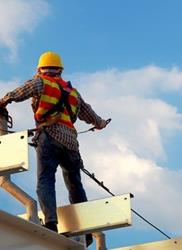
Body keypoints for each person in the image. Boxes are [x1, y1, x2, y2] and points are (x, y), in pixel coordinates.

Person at [0, 51, 107, 246]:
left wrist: (3, 101)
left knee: (46, 180)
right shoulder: (73, 93)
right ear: (60, 70)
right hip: (71, 144)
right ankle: (86, 231)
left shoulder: (41, 82)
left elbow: (19, 92)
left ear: (40, 69)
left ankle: (50, 223)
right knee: (75, 185)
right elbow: (91, 115)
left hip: (49, 137)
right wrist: (100, 123)